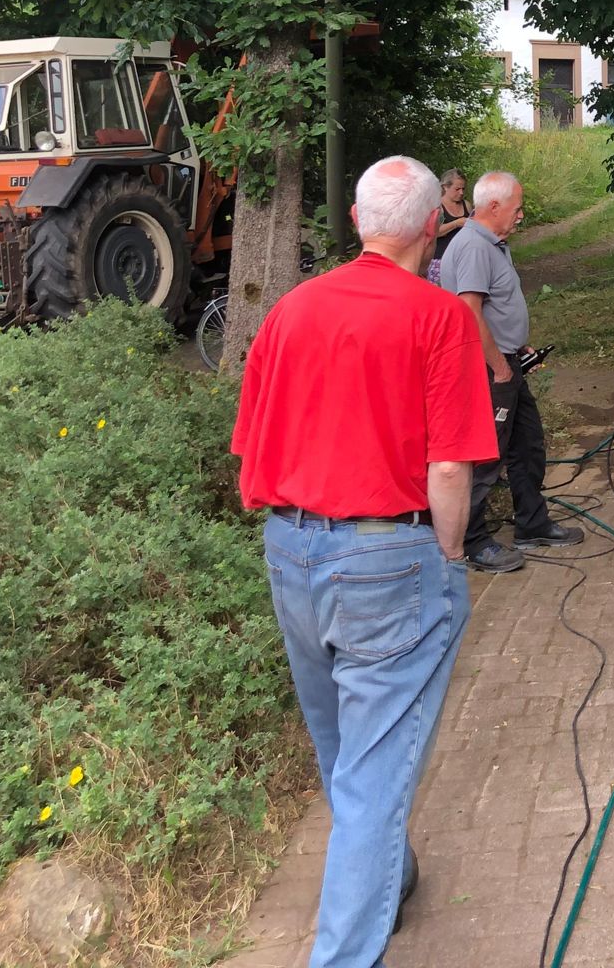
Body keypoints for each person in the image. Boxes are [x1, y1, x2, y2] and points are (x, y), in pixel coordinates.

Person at [233, 156, 496, 966]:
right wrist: (448, 556)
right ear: (431, 227)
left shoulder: (289, 312)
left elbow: (249, 442)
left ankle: (391, 873)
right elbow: (450, 468)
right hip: (389, 555)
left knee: (345, 749)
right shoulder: (439, 315)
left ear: (355, 221)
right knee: (373, 773)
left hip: (290, 549)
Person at [437, 170, 583, 573]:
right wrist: (500, 366)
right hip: (488, 371)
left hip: (507, 362)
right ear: (494, 206)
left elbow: (495, 306)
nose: (522, 215)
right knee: (486, 457)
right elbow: (469, 312)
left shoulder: (495, 244)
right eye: (517, 207)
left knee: (528, 445)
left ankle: (532, 524)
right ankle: (471, 541)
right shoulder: (472, 246)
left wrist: (517, 345)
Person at [431, 169, 471, 276]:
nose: (461, 192)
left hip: (464, 260)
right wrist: (456, 223)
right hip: (441, 261)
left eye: (463, 189)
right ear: (445, 187)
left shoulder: (466, 205)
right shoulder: (438, 207)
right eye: (457, 189)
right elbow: (434, 232)